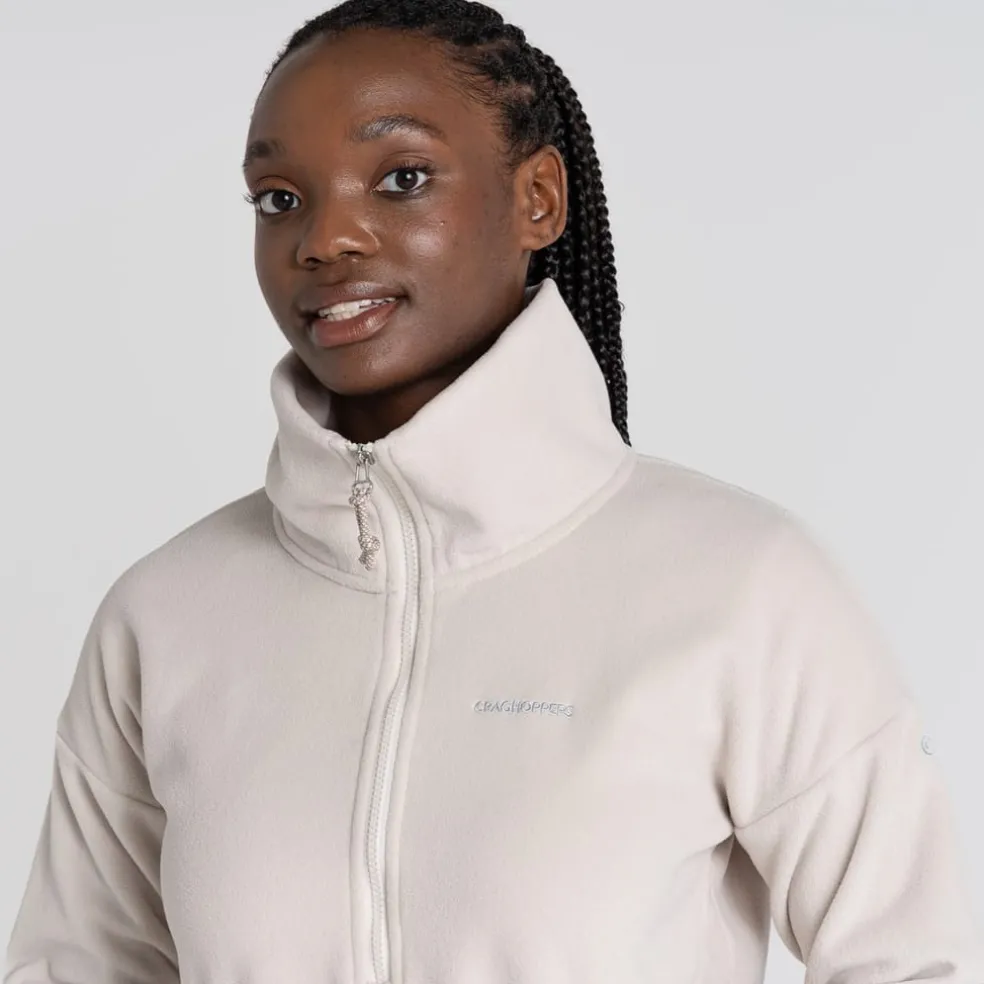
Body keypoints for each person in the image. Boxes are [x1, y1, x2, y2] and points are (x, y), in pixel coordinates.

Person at [4, 1, 983, 982]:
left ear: (538, 199)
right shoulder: (166, 618)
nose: (325, 239)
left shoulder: (743, 588)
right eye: (280, 198)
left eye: (402, 178)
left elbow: (908, 962)